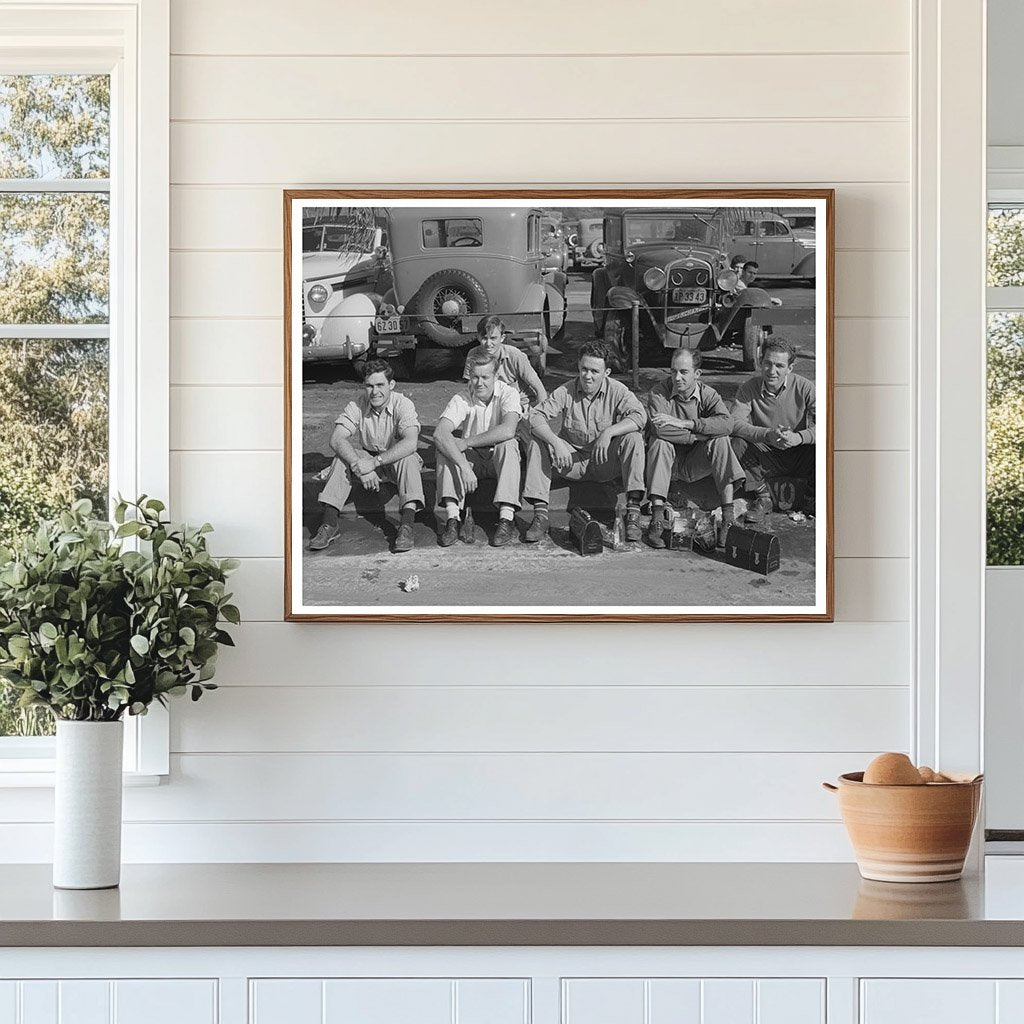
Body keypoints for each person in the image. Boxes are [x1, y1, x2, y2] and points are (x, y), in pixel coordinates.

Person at [523, 341, 647, 543]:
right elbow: (536, 417)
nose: (587, 376)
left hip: (604, 462)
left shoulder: (618, 390)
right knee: (537, 440)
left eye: (594, 371)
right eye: (583, 369)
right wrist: (556, 442)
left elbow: (640, 416)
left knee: (633, 437)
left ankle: (632, 513)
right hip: (571, 461)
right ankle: (540, 516)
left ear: (606, 372)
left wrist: (609, 432)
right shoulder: (567, 390)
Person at [308, 359, 424, 554]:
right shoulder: (357, 405)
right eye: (369, 386)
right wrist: (358, 465)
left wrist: (374, 462)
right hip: (366, 459)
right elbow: (336, 439)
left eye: (380, 385)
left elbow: (411, 441)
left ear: (391, 385)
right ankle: (329, 524)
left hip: (393, 460)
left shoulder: (403, 403)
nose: (375, 391)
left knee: (409, 457)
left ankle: (406, 526)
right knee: (340, 458)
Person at [643, 347, 743, 548]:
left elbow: (727, 424)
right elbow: (660, 429)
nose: (677, 377)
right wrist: (698, 436)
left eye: (683, 372)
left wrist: (687, 424)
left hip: (694, 464)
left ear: (697, 374)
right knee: (659, 442)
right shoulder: (659, 392)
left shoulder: (708, 395)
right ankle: (657, 518)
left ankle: (728, 518)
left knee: (721, 440)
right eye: (673, 371)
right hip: (667, 465)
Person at [433, 352, 523, 548]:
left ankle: (506, 518)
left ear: (496, 376)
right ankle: (453, 518)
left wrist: (467, 441)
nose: (479, 383)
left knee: (509, 445)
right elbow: (440, 434)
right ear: (469, 376)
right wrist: (464, 466)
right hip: (472, 460)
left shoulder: (509, 393)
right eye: (475, 377)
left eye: (485, 377)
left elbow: (509, 430)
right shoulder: (462, 397)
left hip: (496, 456)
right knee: (446, 447)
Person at [730, 338, 816, 515]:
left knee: (826, 445)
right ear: (761, 363)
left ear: (789, 368)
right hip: (766, 454)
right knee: (736, 443)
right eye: (767, 364)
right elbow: (734, 424)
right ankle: (763, 496)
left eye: (779, 366)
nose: (772, 371)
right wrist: (767, 434)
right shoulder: (748, 388)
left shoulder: (805, 387)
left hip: (798, 453)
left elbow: (829, 424)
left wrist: (798, 438)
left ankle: (810, 496)